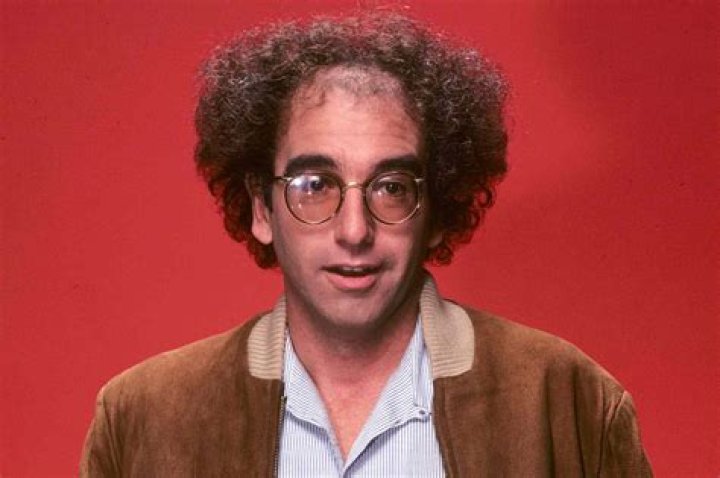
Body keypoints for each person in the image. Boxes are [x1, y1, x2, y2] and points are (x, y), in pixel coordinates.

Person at [80, 13, 652, 477]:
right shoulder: (142, 416)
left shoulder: (567, 399)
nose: (354, 230)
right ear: (261, 208)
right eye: (315, 185)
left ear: (436, 210)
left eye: (391, 187)